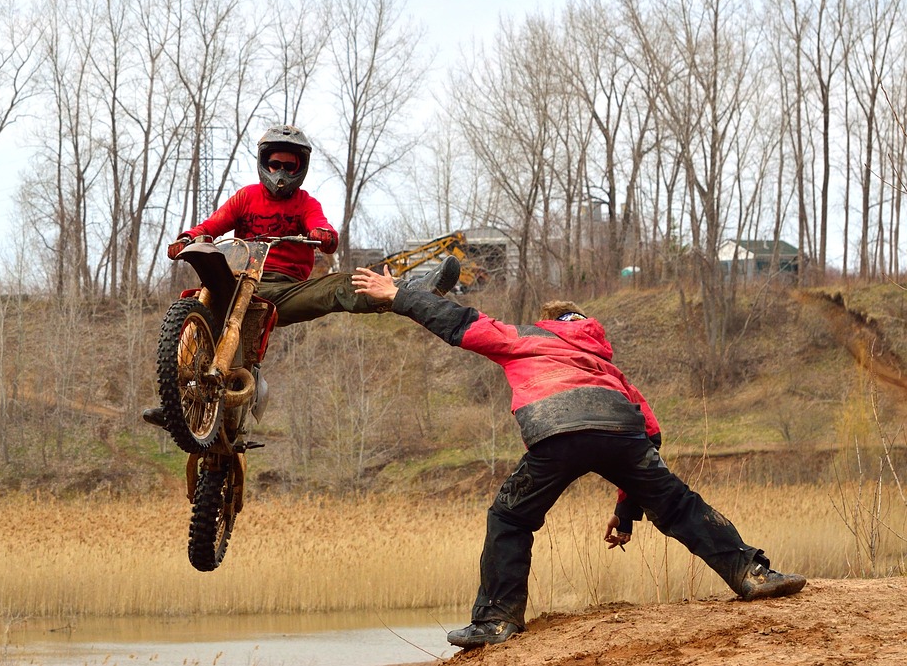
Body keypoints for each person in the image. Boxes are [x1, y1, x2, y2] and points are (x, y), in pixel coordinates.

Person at [349, 267, 807, 650]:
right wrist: (627, 512)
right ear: (590, 327)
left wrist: (399, 294)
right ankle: (752, 574)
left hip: (556, 432)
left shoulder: (523, 337)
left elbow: (460, 321)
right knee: (680, 506)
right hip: (622, 433)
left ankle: (497, 622)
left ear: (549, 323)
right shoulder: (608, 368)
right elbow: (651, 432)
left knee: (510, 518)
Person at [143, 125, 461, 427]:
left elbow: (321, 227)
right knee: (194, 299)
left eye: (289, 166)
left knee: (336, 286)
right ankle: (174, 402)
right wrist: (188, 237)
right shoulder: (246, 197)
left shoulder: (304, 202)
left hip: (282, 289)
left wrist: (322, 234)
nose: (280, 172)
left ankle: (414, 289)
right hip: (237, 278)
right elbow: (213, 224)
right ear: (263, 162)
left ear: (300, 168)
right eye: (275, 163)